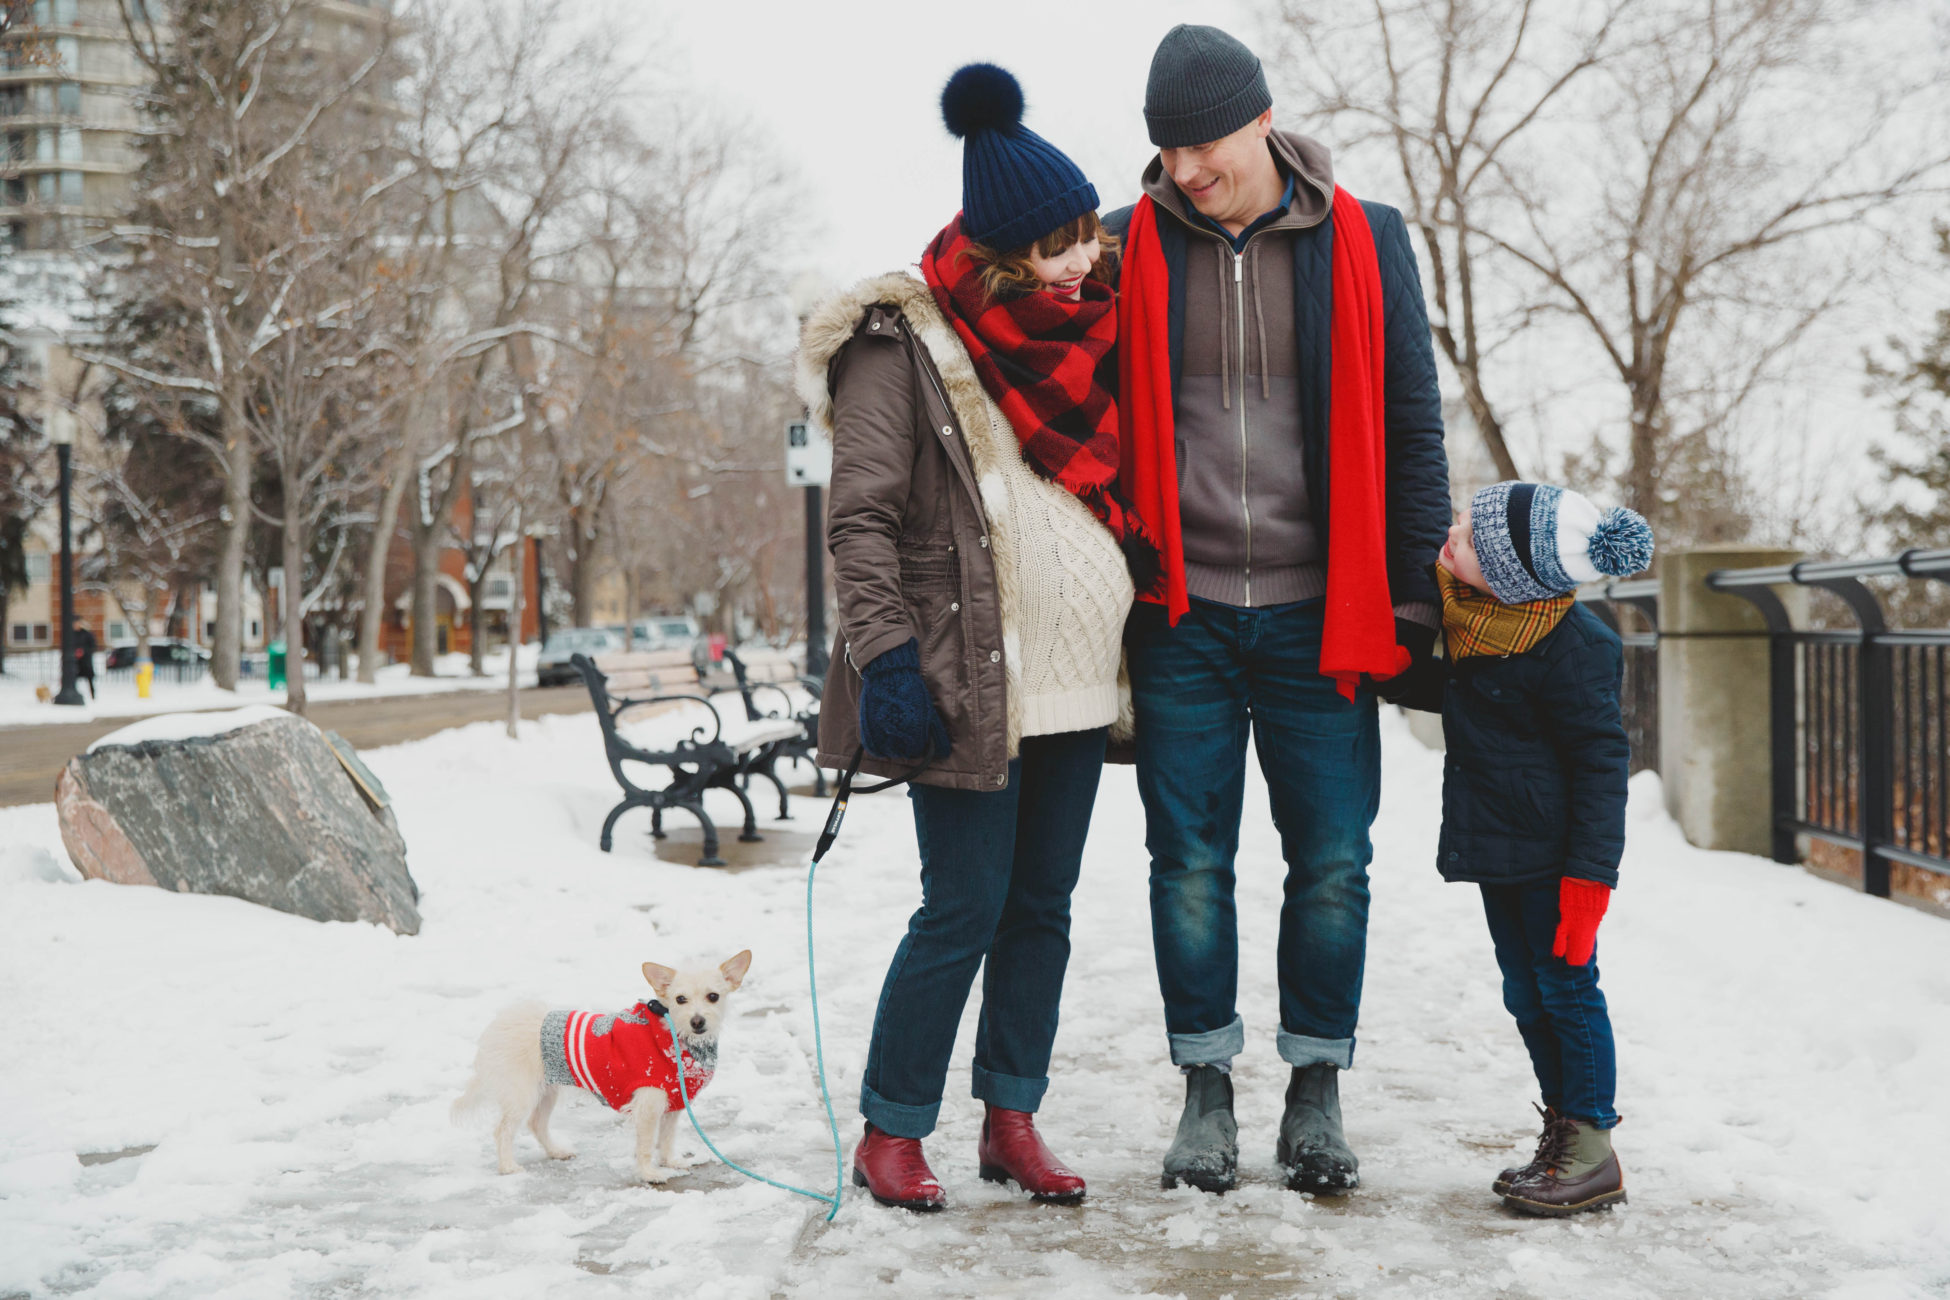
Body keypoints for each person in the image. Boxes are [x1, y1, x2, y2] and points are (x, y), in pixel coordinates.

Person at [801, 63, 1158, 1212]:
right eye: (1056, 246)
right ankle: (892, 1128)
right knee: (961, 906)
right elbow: (856, 517)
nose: (1082, 260)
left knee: (1041, 910)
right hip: (964, 680)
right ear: (1000, 253)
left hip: (1073, 684)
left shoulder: (1075, 338)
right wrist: (888, 658)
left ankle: (1012, 1118)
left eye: (1083, 238)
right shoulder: (896, 343)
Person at [1104, 24, 1451, 1195]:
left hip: (1323, 609)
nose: (1184, 172)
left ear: (1260, 120)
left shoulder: (1367, 239)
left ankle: (1317, 1085)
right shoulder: (1122, 246)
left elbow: (1412, 419)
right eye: (1166, 153)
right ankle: (1205, 1085)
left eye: (1203, 147)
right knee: (1189, 860)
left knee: (1335, 861)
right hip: (1183, 613)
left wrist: (1413, 602)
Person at [1419, 481, 1652, 1215]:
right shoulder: (1478, 619)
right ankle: (1562, 1132)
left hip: (1556, 859)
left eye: (1469, 535)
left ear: (1509, 572)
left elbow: (1600, 764)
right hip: (1501, 846)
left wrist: (1591, 880)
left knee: (1569, 991)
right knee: (1526, 993)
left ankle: (1593, 1147)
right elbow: (1461, 693)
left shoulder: (1574, 648)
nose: (1451, 532)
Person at [71, 618, 97, 701]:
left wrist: (83, 651)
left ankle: (93, 695)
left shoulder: (87, 634)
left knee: (89, 679)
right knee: (72, 678)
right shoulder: (72, 634)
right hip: (75, 661)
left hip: (85, 661)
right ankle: (73, 693)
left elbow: (92, 646)